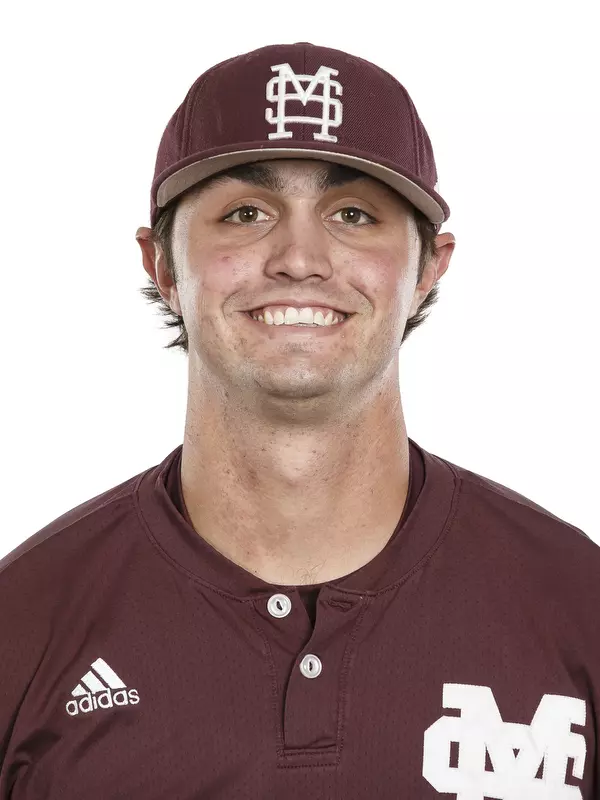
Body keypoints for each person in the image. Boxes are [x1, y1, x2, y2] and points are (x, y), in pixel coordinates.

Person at [1, 42, 598, 799]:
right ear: (162, 267)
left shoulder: (576, 605)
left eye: (353, 214)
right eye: (246, 213)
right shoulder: (23, 624)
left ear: (428, 269)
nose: (299, 257)